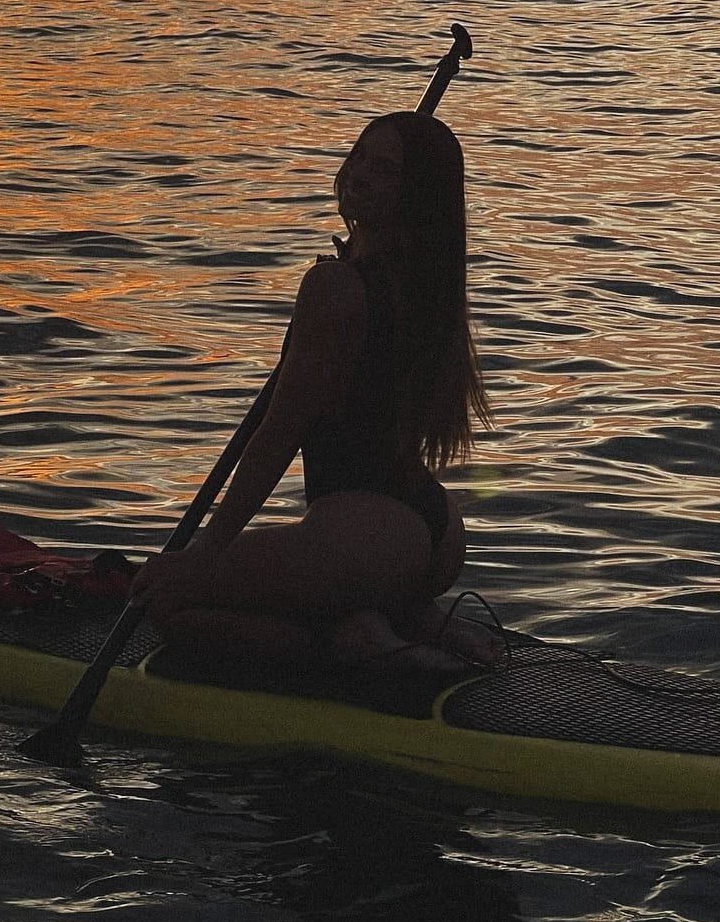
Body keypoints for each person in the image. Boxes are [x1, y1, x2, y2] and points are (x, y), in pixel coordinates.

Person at [133, 111, 502, 672]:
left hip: (361, 538)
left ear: (413, 195)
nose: (359, 175)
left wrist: (206, 555)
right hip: (437, 532)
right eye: (359, 157)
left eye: (385, 171)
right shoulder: (432, 288)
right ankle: (403, 618)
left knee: (168, 603)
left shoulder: (336, 287)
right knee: (295, 582)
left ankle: (347, 643)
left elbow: (280, 432)